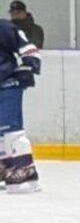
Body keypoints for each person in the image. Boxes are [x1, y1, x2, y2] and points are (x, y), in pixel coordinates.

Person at [0, 18, 42, 192]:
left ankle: (26, 170)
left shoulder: (3, 27)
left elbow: (25, 46)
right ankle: (7, 166)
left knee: (12, 131)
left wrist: (29, 64)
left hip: (8, 83)